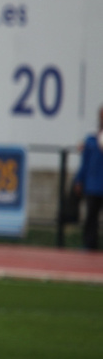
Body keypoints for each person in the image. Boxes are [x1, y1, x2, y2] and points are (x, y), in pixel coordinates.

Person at [72, 105, 103, 250]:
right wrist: (79, 180)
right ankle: (90, 245)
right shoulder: (91, 139)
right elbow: (85, 163)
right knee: (91, 217)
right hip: (93, 185)